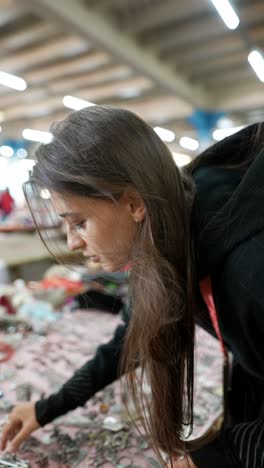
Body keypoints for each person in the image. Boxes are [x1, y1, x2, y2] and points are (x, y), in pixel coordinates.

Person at [1, 106, 264, 468]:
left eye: (79, 222)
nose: (72, 242)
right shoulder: (168, 235)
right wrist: (46, 408)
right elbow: (133, 335)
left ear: (134, 203)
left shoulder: (251, 269)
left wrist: (218, 455)